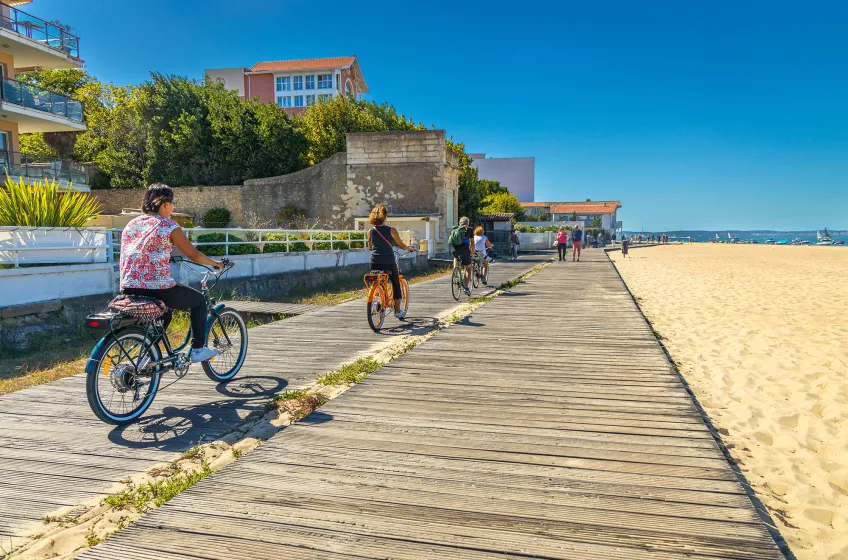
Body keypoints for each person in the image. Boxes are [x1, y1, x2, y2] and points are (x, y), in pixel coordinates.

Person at [120, 184, 222, 363]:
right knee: (199, 301)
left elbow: (143, 250)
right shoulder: (168, 225)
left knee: (165, 313)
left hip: (128, 287)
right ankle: (198, 350)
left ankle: (147, 355)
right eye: (173, 203)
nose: (173, 208)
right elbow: (193, 255)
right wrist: (216, 264)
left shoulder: (132, 224)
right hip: (158, 288)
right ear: (165, 204)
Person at [365, 203, 416, 319]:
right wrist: (409, 249)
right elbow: (401, 245)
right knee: (396, 283)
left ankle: (378, 296)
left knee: (378, 279)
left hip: (374, 261)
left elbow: (370, 247)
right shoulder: (392, 230)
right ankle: (397, 312)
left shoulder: (370, 231)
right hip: (388, 261)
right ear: (385, 216)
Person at [449, 217, 474, 295]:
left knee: (455, 257)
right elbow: (472, 242)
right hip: (464, 250)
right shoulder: (469, 230)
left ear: (460, 223)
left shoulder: (454, 229)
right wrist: (473, 251)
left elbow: (450, 241)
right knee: (468, 267)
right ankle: (466, 287)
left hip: (454, 249)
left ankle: (455, 270)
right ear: (467, 223)